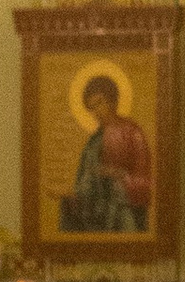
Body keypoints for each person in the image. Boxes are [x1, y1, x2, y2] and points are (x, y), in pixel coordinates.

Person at [60, 74, 153, 234]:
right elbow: (85, 182)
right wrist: (72, 194)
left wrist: (119, 175)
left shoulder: (132, 132)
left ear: (113, 100)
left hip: (124, 212)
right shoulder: (94, 141)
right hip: (96, 214)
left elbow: (146, 182)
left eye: (99, 103)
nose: (96, 112)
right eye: (91, 108)